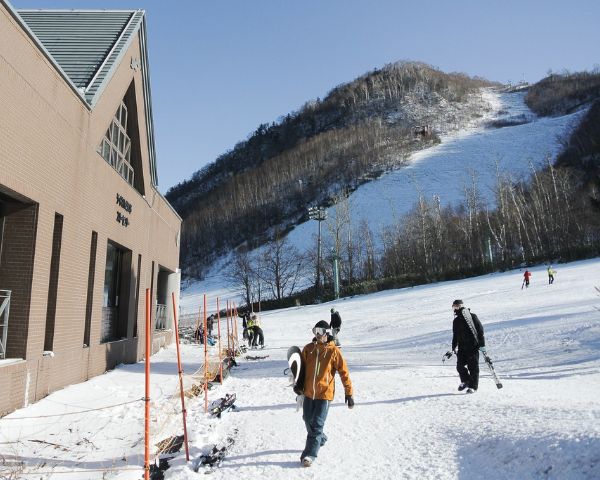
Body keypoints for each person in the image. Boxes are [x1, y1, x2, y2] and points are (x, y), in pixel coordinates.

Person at [294, 320, 354, 467]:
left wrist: (349, 393)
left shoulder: (334, 351)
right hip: (309, 393)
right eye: (315, 331)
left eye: (319, 332)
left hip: (324, 394)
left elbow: (344, 373)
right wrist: (298, 386)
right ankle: (321, 438)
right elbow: (300, 370)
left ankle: (309, 455)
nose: (317, 335)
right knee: (307, 420)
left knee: (316, 425)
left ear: (326, 333)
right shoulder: (308, 349)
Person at [451, 299, 485, 394]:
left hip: (472, 347)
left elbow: (480, 331)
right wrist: (454, 347)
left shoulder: (472, 317)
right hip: (462, 347)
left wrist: (482, 345)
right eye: (454, 307)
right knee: (459, 366)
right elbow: (455, 335)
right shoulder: (456, 321)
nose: (455, 308)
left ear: (462, 306)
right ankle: (465, 380)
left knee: (473, 367)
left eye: (457, 306)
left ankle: (473, 386)